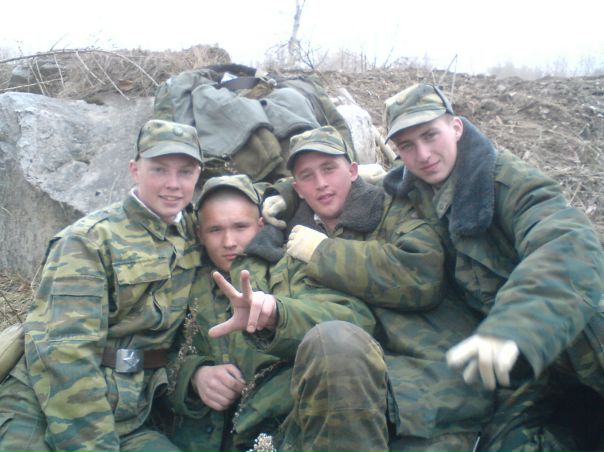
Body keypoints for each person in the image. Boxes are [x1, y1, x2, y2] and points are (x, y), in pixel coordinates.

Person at [381, 83, 604, 450]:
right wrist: (287, 195)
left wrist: (514, 327)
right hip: (518, 366)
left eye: (430, 135)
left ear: (456, 128)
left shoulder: (508, 181)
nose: (423, 154)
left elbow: (566, 243)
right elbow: (350, 186)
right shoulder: (412, 192)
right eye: (407, 145)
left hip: (577, 333)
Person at [263, 126, 500, 451]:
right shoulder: (293, 252)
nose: (321, 183)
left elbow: (421, 274)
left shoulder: (394, 208)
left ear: (353, 171)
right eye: (307, 176)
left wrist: (323, 252)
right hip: (347, 398)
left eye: (329, 169)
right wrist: (273, 316)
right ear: (298, 190)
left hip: (430, 397)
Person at [0, 119, 203, 451]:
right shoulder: (89, 240)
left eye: (185, 172)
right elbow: (66, 352)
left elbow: (247, 203)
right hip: (48, 406)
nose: (173, 184)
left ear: (198, 175)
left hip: (129, 413)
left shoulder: (196, 233)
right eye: (159, 169)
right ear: (135, 170)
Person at [160, 174, 385, 452]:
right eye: (215, 230)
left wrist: (279, 315)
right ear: (200, 235)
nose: (229, 241)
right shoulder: (182, 286)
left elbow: (353, 322)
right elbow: (156, 356)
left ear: (260, 225)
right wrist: (194, 376)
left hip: (292, 430)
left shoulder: (291, 266)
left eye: (240, 227)